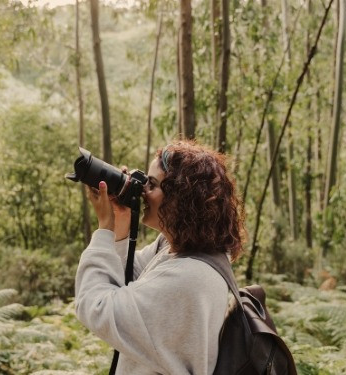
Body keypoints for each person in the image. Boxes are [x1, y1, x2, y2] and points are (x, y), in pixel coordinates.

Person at [75, 140, 246, 374]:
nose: (143, 190)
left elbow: (95, 306)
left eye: (152, 185)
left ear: (181, 200)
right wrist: (121, 223)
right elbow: (128, 278)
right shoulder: (179, 250)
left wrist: (105, 228)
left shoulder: (188, 278)